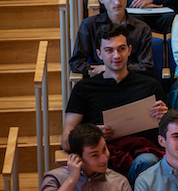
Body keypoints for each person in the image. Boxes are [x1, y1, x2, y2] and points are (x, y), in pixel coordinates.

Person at [62, 24, 167, 178]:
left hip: (141, 155)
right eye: (109, 50)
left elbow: (169, 134)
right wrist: (93, 135)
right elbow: (66, 140)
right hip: (100, 155)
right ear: (99, 54)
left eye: (121, 49)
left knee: (147, 160)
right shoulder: (84, 88)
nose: (116, 56)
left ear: (129, 50)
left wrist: (165, 118)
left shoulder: (150, 86)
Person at [70, 0, 154, 77]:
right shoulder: (89, 25)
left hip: (131, 84)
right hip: (101, 82)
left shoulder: (142, 28)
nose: (117, 2)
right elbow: (76, 63)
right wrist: (98, 70)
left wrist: (110, 68)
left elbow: (146, 67)